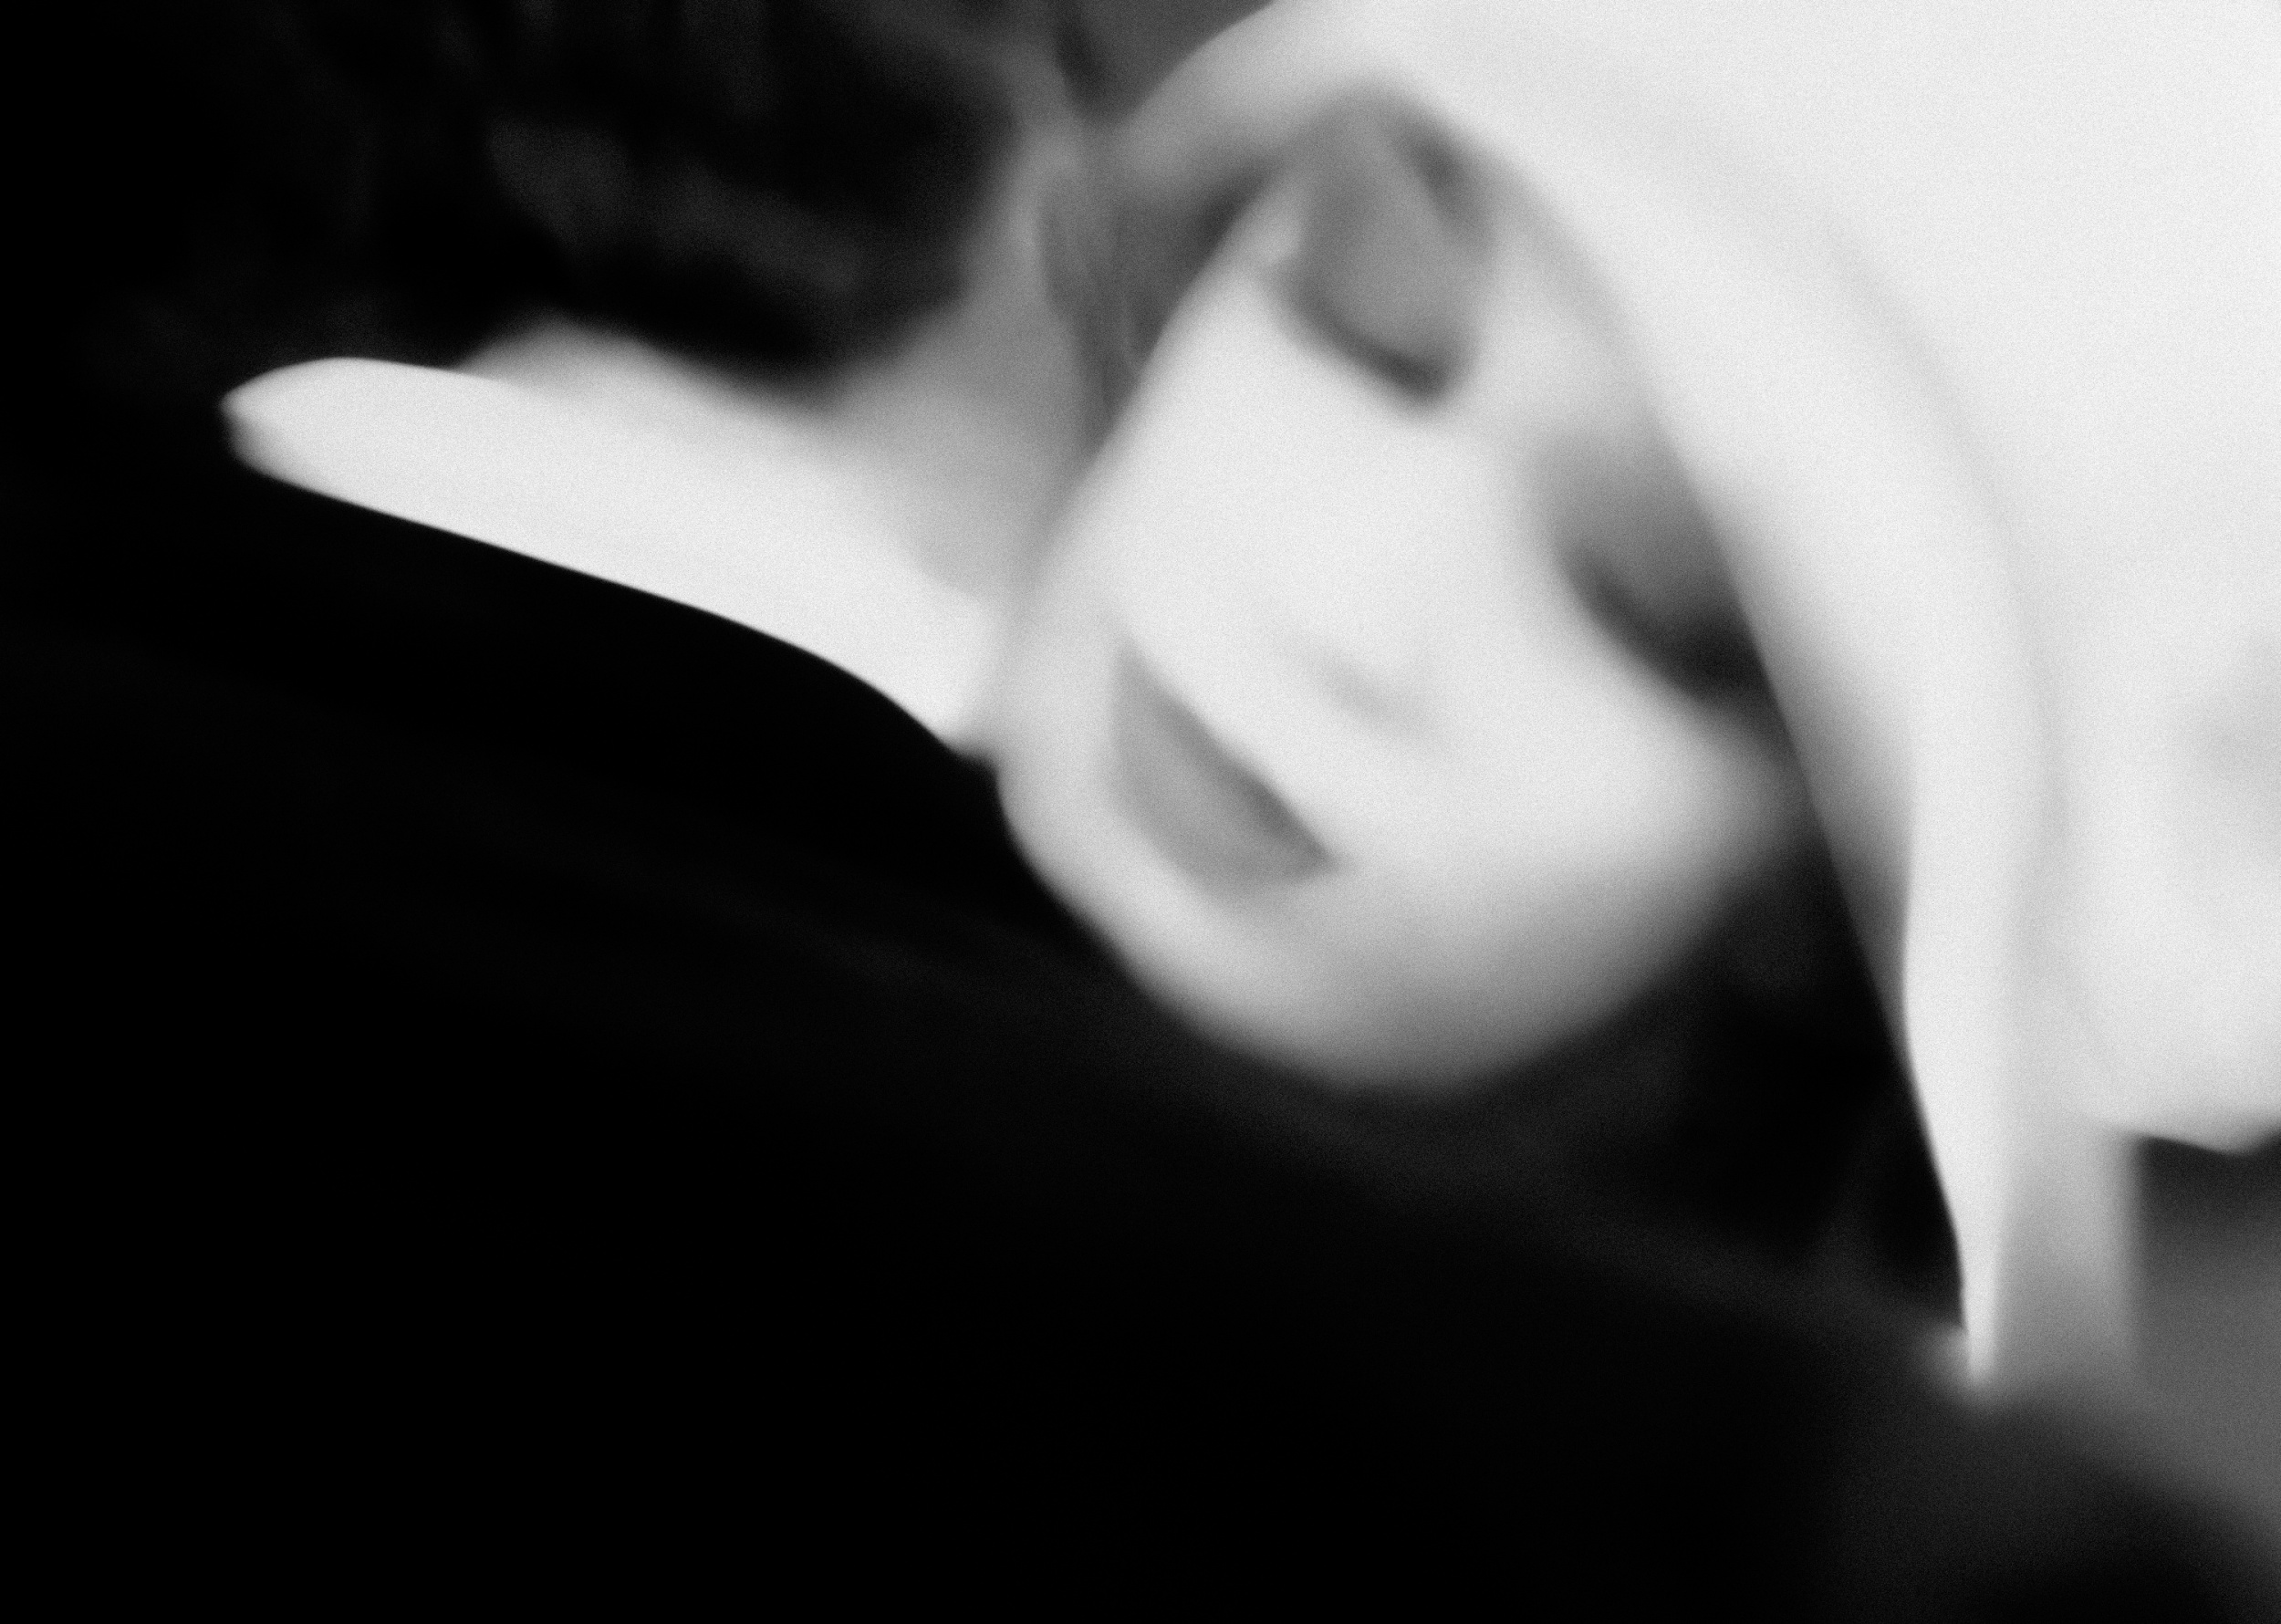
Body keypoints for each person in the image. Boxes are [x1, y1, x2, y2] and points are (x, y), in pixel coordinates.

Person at [11, 1, 2276, 1608]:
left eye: (1642, 609)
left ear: (1819, 921)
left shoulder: (1741, 1514)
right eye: (1349, 315)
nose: (1335, 599)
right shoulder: (420, 567)